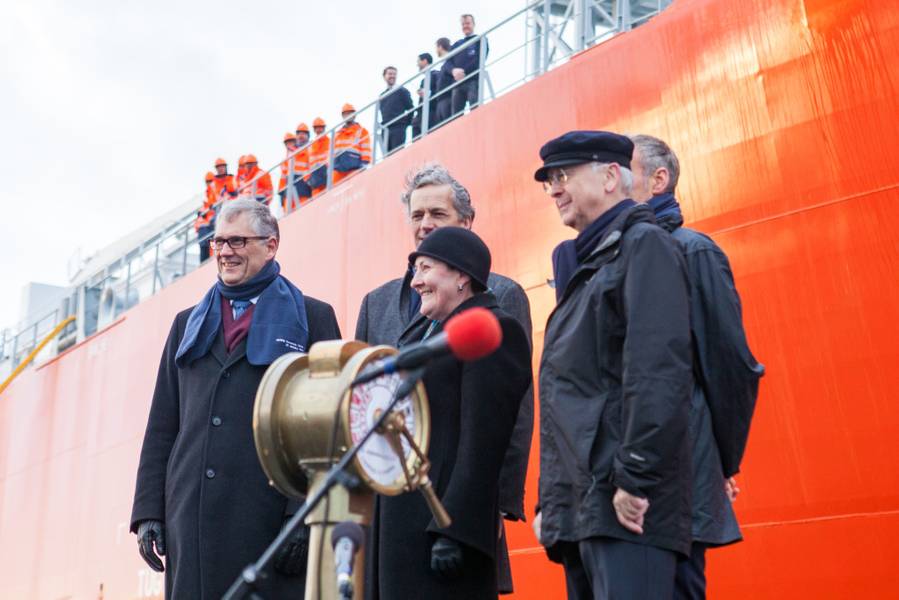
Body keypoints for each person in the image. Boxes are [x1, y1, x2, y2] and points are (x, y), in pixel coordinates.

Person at [130, 198, 342, 599]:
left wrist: (304, 515)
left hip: (269, 523)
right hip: (190, 521)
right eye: (219, 242)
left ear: (272, 244)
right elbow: (163, 424)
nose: (226, 252)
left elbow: (328, 429)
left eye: (239, 242)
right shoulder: (186, 324)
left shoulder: (313, 319)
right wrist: (148, 512)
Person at [355, 163, 534, 594]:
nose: (425, 224)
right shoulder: (376, 302)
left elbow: (505, 417)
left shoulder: (500, 300)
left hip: (453, 505)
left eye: (437, 214)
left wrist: (487, 509)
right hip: (388, 507)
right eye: (417, 216)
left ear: (467, 224)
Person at [533, 131, 694, 599]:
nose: (554, 189)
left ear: (609, 177)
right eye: (548, 181)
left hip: (627, 507)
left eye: (563, 175)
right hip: (586, 509)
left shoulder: (643, 247)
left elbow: (659, 370)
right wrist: (554, 502)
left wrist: (636, 478)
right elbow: (569, 396)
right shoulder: (588, 262)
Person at [630, 134, 764, 599]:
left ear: (658, 180)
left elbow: (731, 363)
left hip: (682, 470)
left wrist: (723, 459)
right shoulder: (621, 257)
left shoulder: (693, 251)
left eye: (625, 174)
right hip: (636, 473)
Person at [448, 14, 488, 118]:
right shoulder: (456, 44)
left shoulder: (480, 39)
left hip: (472, 80)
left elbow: (480, 59)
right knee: (456, 118)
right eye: (463, 24)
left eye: (468, 23)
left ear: (473, 24)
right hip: (457, 84)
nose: (465, 26)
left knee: (475, 112)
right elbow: (447, 62)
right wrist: (453, 71)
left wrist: (463, 72)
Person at [332, 103, 371, 186]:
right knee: (335, 193)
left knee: (356, 190)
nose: (348, 115)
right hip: (339, 170)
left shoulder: (362, 131)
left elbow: (366, 149)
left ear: (354, 115)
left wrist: (364, 164)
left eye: (350, 113)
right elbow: (332, 153)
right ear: (343, 116)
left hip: (354, 167)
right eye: (345, 113)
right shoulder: (337, 134)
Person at [379, 66, 414, 154]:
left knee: (397, 154)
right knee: (386, 157)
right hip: (385, 129)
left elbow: (411, 108)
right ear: (384, 76)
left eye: (394, 74)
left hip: (398, 128)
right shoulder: (382, 96)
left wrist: (405, 123)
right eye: (390, 74)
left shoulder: (402, 91)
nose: (392, 76)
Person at [412, 53, 441, 138]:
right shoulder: (423, 80)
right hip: (421, 116)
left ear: (425, 61)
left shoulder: (436, 74)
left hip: (431, 114)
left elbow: (440, 90)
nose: (417, 64)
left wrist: (428, 94)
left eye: (418, 61)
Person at [195, 171, 217, 262]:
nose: (209, 184)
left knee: (212, 246)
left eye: (211, 181)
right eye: (208, 182)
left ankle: (212, 259)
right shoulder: (206, 198)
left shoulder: (215, 194)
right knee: (205, 249)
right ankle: (206, 262)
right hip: (205, 233)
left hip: (211, 229)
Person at [306, 117, 330, 196]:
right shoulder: (311, 145)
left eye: (320, 127)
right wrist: (307, 179)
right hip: (315, 178)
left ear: (324, 128)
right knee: (316, 201)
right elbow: (307, 164)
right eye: (316, 128)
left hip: (327, 175)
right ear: (314, 130)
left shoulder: (330, 141)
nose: (318, 130)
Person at [434, 38, 454, 125]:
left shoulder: (451, 60)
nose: (436, 50)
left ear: (440, 47)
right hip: (441, 100)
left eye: (436, 47)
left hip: (448, 98)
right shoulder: (445, 63)